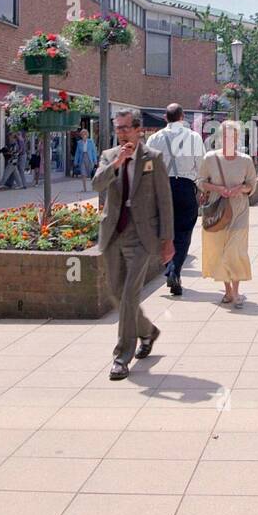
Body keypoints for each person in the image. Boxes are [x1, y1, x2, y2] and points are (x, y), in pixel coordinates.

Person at [93, 110, 175, 381]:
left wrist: (168, 240)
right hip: (114, 232)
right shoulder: (109, 156)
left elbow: (164, 200)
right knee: (117, 293)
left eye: (126, 128)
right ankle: (148, 331)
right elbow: (96, 185)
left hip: (142, 235)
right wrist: (117, 163)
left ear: (138, 129)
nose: (122, 133)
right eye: (118, 129)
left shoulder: (153, 158)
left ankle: (121, 357)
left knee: (129, 295)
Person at [146, 103, 207, 296]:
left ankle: (170, 266)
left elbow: (147, 166)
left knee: (165, 231)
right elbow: (201, 165)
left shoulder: (154, 138)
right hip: (186, 187)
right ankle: (175, 269)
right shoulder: (194, 137)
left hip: (163, 188)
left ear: (166, 117)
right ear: (182, 117)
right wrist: (201, 187)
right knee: (183, 232)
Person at [197, 119, 258, 307]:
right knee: (220, 250)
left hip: (239, 210)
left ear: (238, 137)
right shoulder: (210, 158)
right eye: (225, 136)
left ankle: (237, 292)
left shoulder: (246, 160)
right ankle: (227, 290)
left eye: (232, 136)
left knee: (235, 251)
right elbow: (200, 181)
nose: (229, 139)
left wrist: (240, 188)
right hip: (218, 210)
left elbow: (252, 186)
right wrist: (218, 188)